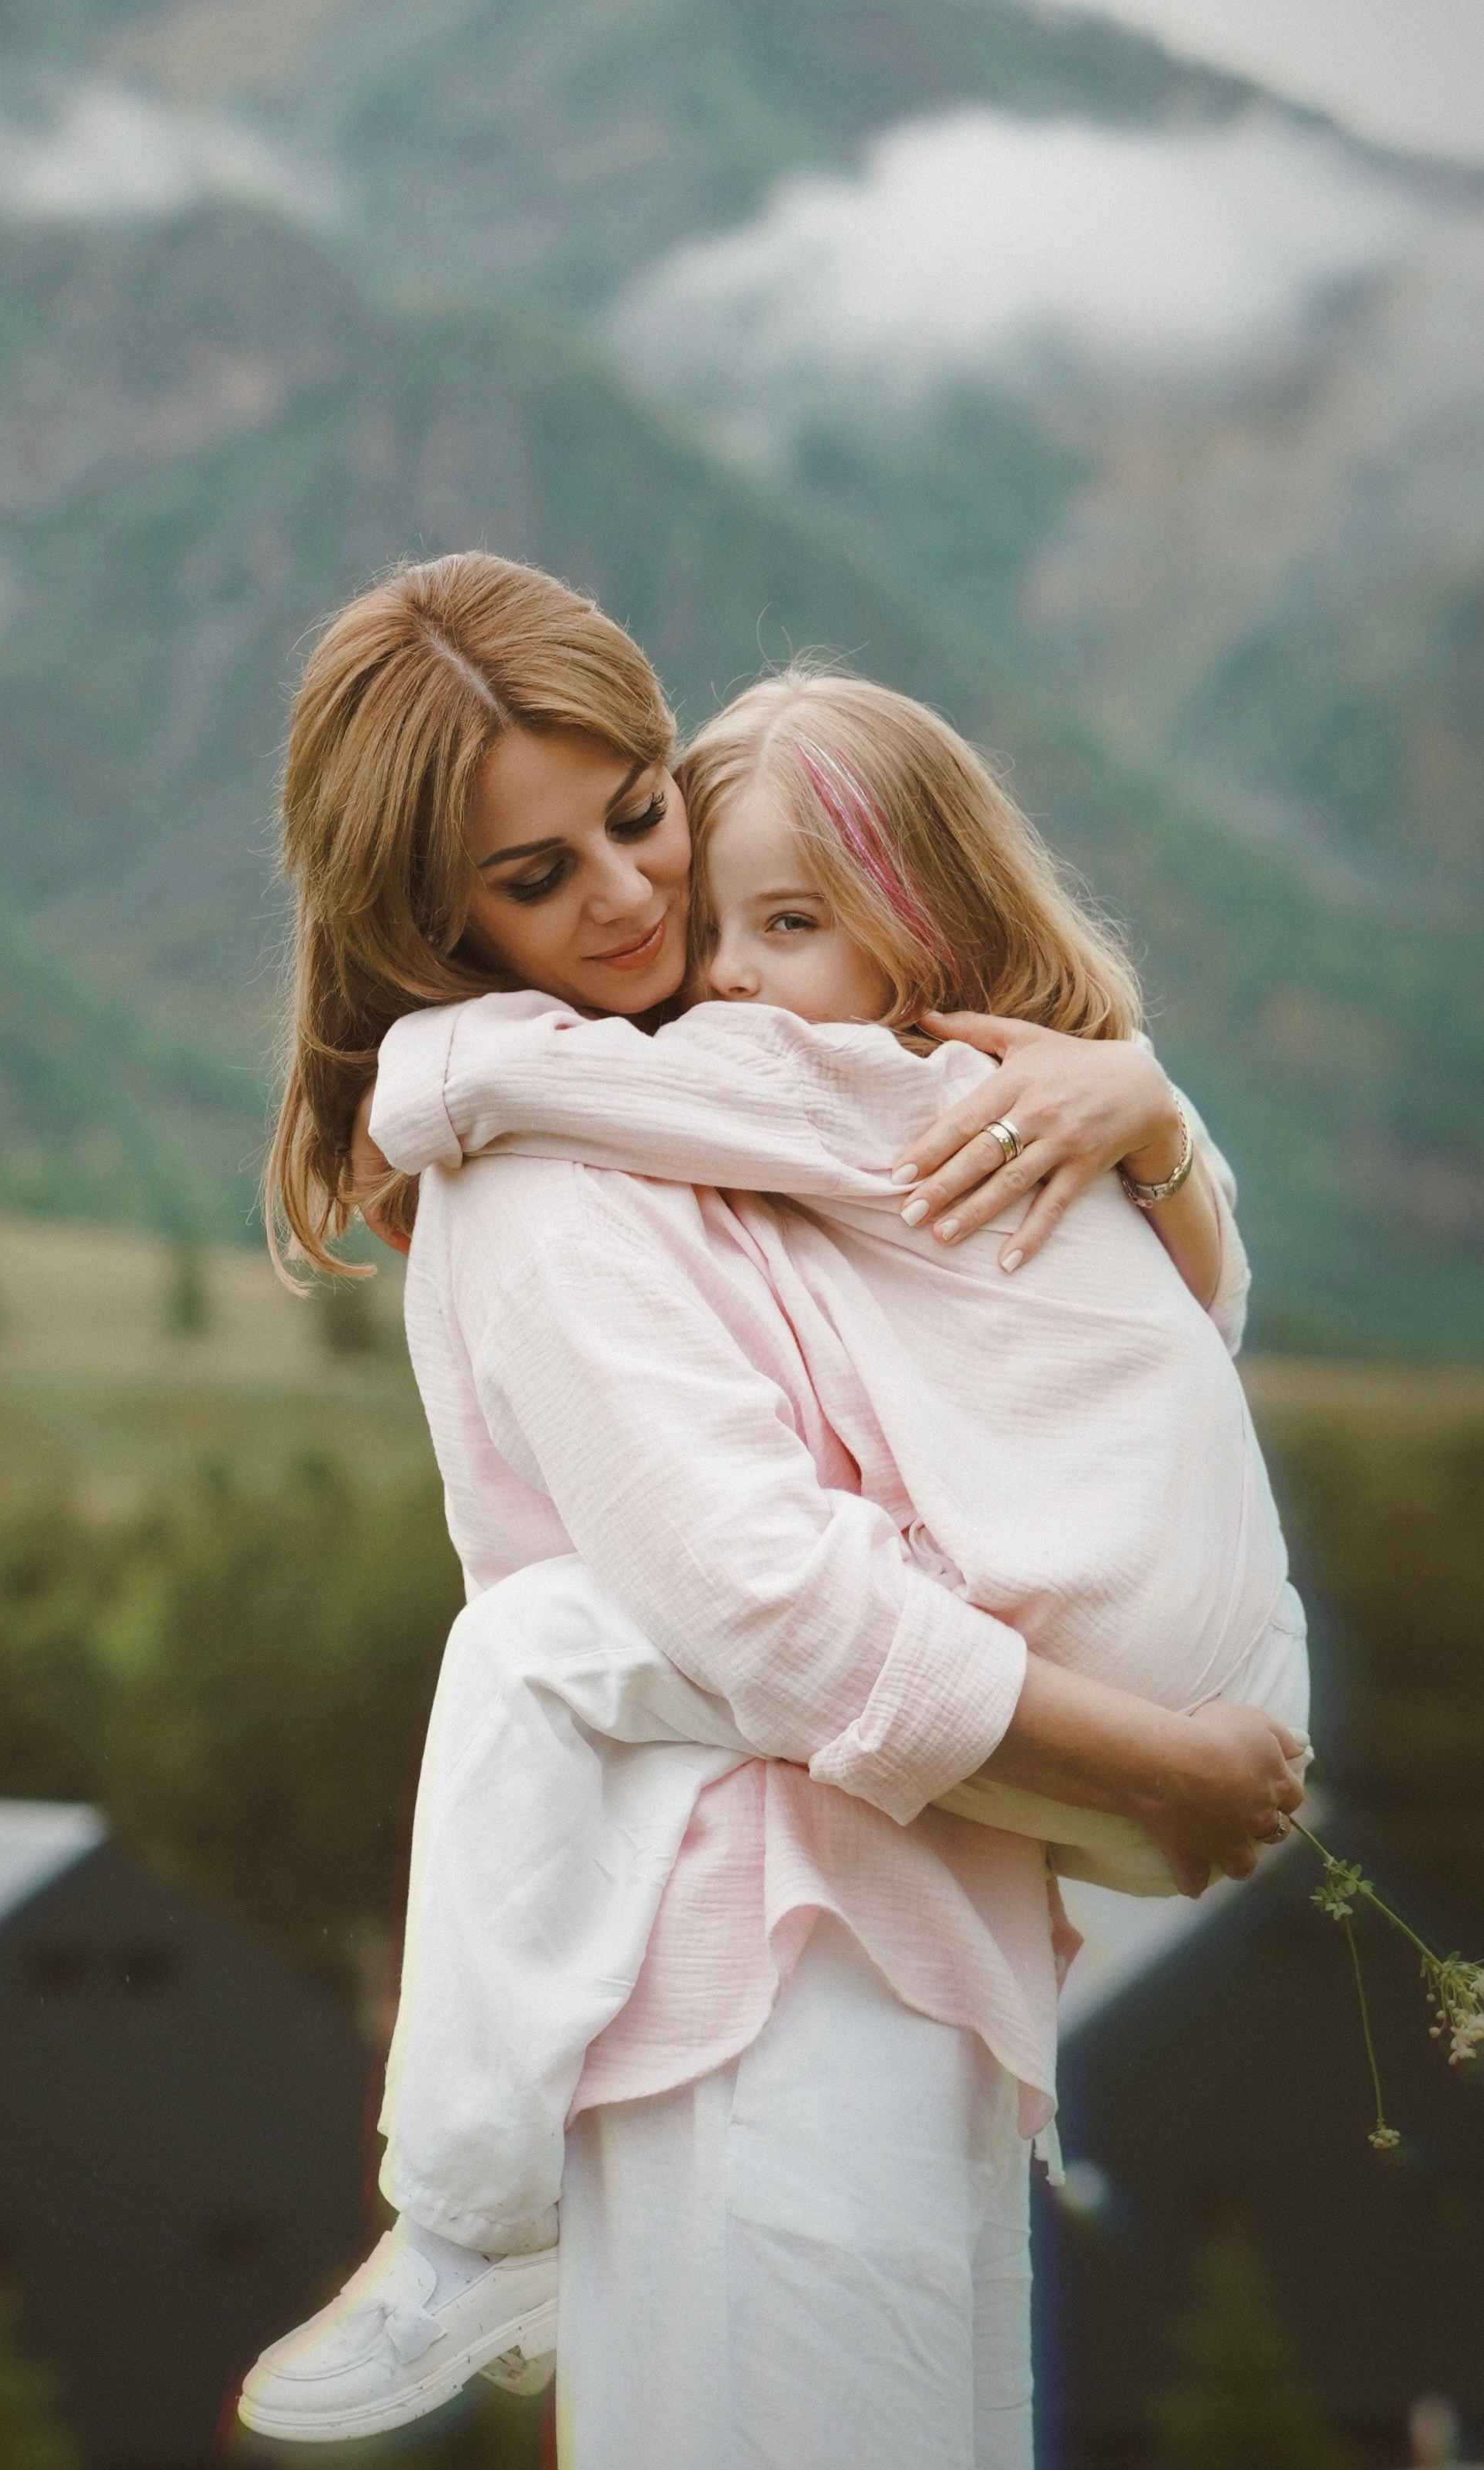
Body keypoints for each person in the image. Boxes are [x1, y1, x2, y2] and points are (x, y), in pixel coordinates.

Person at [241, 557, 1304, 2466]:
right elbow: (774, 1605)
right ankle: (467, 2221)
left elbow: (1137, 1334)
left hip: (913, 1941)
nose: (632, 897)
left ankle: (473, 2224)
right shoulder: (552, 1179)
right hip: (751, 1971)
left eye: (633, 815)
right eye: (535, 876)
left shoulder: (741, 1085)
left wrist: (1142, 1118)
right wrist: (1153, 1765)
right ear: (435, 919)